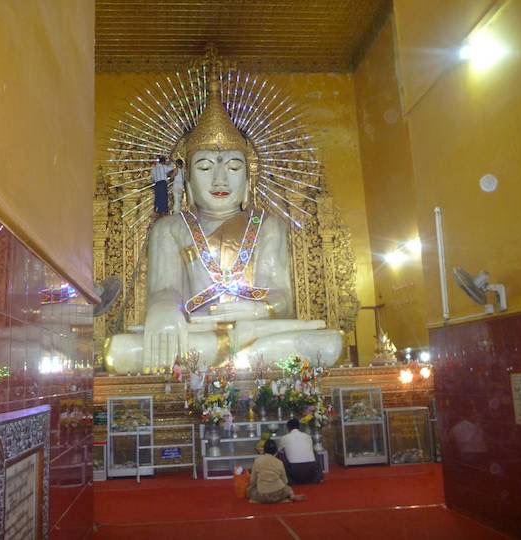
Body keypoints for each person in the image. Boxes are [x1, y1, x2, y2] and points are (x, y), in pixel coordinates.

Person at [104, 80, 343, 374]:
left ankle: (224, 359)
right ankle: (242, 358)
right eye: (205, 167)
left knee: (329, 344)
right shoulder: (169, 229)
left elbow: (282, 297)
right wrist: (165, 310)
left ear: (248, 181)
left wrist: (259, 310)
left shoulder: (269, 226)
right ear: (188, 181)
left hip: (253, 329)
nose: (220, 179)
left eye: (233, 168)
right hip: (197, 334)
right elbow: (164, 289)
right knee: (118, 351)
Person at [247, 439, 306, 504]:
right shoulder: (279, 462)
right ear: (276, 451)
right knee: (288, 488)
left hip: (262, 494)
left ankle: (257, 500)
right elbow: (285, 481)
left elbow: (252, 481)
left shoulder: (257, 461)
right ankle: (289, 497)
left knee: (249, 490)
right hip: (278, 494)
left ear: (264, 450)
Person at [277, 418, 322, 484]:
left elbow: (278, 451)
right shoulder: (308, 436)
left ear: (288, 428)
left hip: (294, 471)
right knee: (314, 452)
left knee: (280, 454)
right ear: (299, 427)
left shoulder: (284, 438)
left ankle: (286, 479)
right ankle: (318, 475)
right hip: (311, 470)